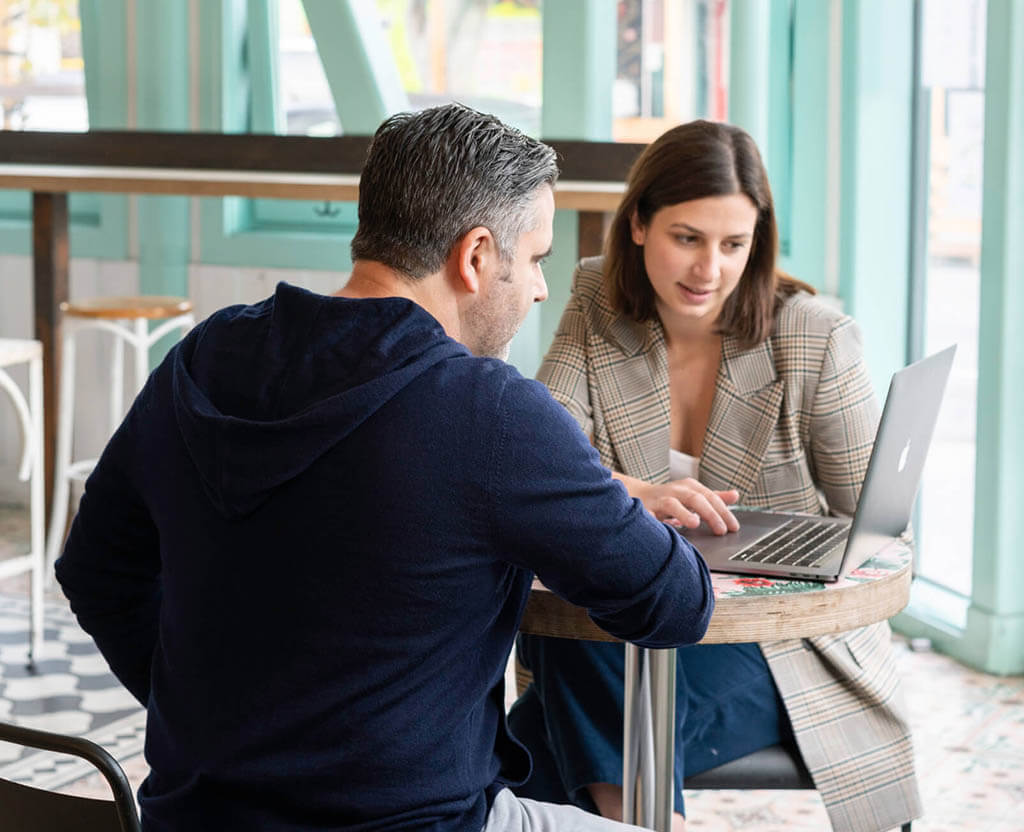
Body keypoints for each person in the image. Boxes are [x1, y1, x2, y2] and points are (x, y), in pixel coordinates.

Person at [54, 103, 718, 832]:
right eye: (534, 259)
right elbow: (676, 604)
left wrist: (208, 726)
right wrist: (594, 487)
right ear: (474, 257)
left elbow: (93, 567)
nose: (537, 288)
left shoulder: (204, 358)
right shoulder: (492, 413)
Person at [508, 119, 921, 832]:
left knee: (517, 739)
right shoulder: (597, 298)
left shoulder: (814, 337)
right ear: (638, 224)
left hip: (775, 645)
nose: (709, 271)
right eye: (687, 238)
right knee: (582, 642)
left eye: (735, 245)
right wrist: (638, 495)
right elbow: (540, 458)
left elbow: (877, 528)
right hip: (638, 621)